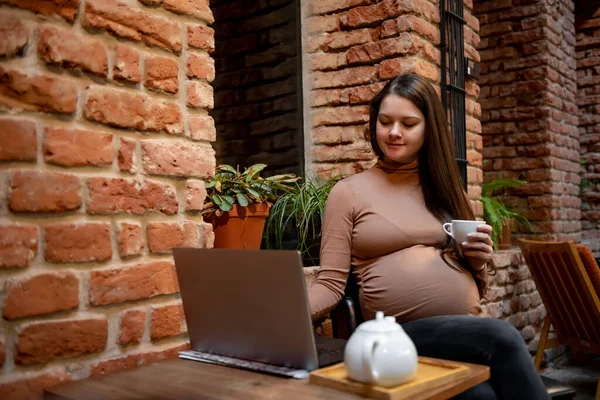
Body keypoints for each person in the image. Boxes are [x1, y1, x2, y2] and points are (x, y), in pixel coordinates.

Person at [308, 74, 550, 399]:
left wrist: (476, 261)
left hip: (461, 332)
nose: (394, 132)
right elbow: (330, 284)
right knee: (503, 336)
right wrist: (283, 314)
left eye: (408, 123)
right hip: (397, 336)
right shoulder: (348, 192)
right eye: (385, 122)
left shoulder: (447, 190)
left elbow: (476, 278)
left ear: (428, 129)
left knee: (481, 397)